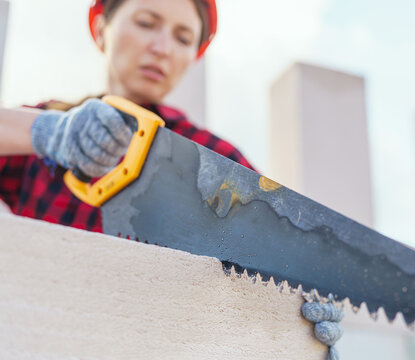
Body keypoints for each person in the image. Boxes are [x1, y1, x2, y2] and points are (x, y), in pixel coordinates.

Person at [0, 0, 343, 357]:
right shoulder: (40, 129)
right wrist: (44, 132)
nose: (161, 48)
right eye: (146, 23)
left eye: (182, 38)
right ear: (100, 27)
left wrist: (303, 329)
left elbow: (285, 267)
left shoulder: (216, 159)